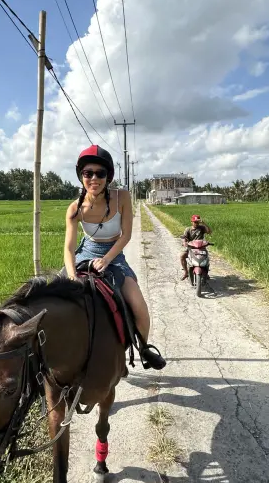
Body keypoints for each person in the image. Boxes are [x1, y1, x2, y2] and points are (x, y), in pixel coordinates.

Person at [64, 145, 166, 370]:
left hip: (114, 254)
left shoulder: (122, 197)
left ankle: (144, 348)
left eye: (100, 173)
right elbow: (69, 248)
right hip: (86, 252)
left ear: (108, 176)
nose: (94, 178)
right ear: (81, 176)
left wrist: (108, 259)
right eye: (88, 173)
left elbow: (126, 234)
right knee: (54, 298)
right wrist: (71, 276)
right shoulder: (75, 208)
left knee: (139, 307)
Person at [180, 214, 212, 279]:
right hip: (191, 248)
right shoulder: (188, 229)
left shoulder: (202, 228)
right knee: (182, 256)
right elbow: (184, 237)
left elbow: (209, 231)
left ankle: (205, 272)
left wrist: (204, 223)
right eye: (195, 222)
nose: (196, 224)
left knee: (206, 258)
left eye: (197, 222)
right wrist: (184, 242)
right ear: (192, 222)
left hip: (201, 248)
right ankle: (186, 272)